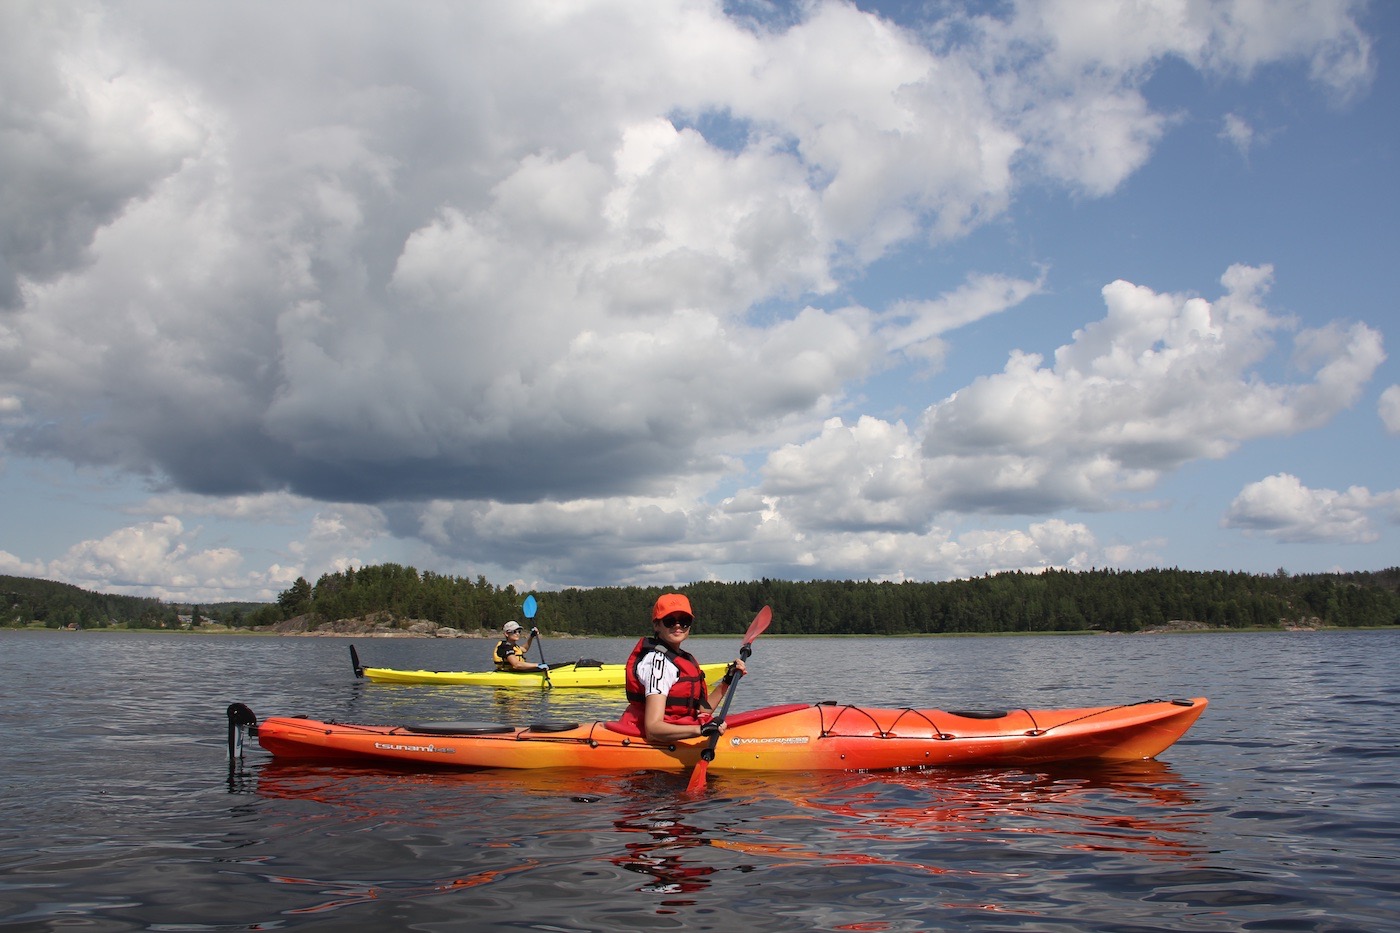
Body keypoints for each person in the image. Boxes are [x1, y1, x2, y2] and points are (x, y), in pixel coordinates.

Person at [621, 592, 747, 743]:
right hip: (654, 738)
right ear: (656, 625)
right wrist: (700, 730)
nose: (678, 625)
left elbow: (702, 710)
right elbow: (653, 729)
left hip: (679, 731)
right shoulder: (658, 662)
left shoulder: (683, 658)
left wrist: (727, 681)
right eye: (669, 621)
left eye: (684, 620)